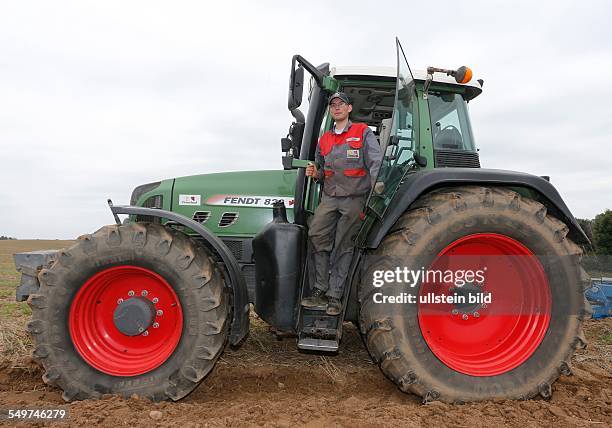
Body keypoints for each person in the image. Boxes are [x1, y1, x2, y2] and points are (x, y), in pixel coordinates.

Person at [301, 92, 382, 315]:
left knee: (344, 245)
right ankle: (319, 288)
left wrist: (376, 188)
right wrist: (315, 173)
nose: (337, 107)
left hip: (354, 199)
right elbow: (320, 170)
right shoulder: (324, 139)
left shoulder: (362, 132)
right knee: (316, 235)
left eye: (341, 104)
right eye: (333, 105)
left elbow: (375, 162)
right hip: (329, 197)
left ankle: (334, 296)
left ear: (349, 109)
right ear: (330, 110)